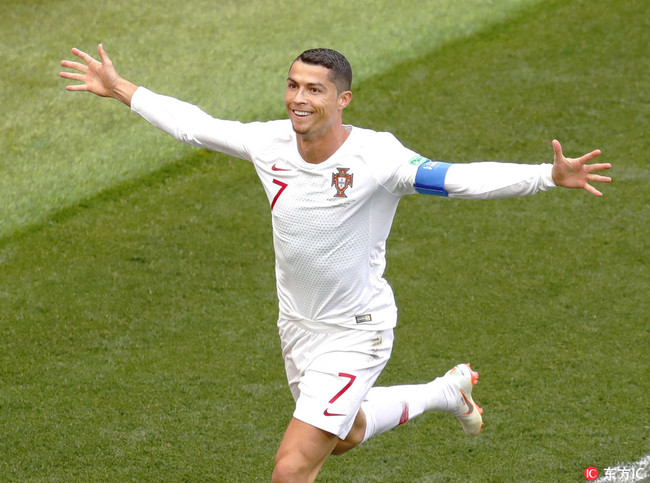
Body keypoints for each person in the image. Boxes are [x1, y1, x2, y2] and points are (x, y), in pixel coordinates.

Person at [60, 44, 611, 482]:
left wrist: (546, 175)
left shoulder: (378, 158)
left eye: (315, 90)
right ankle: (446, 392)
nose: (299, 98)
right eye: (293, 85)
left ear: (343, 100)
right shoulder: (268, 143)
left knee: (292, 467)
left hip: (358, 331)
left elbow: (457, 178)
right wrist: (121, 89)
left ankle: (443, 392)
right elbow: (194, 125)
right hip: (298, 327)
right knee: (342, 437)